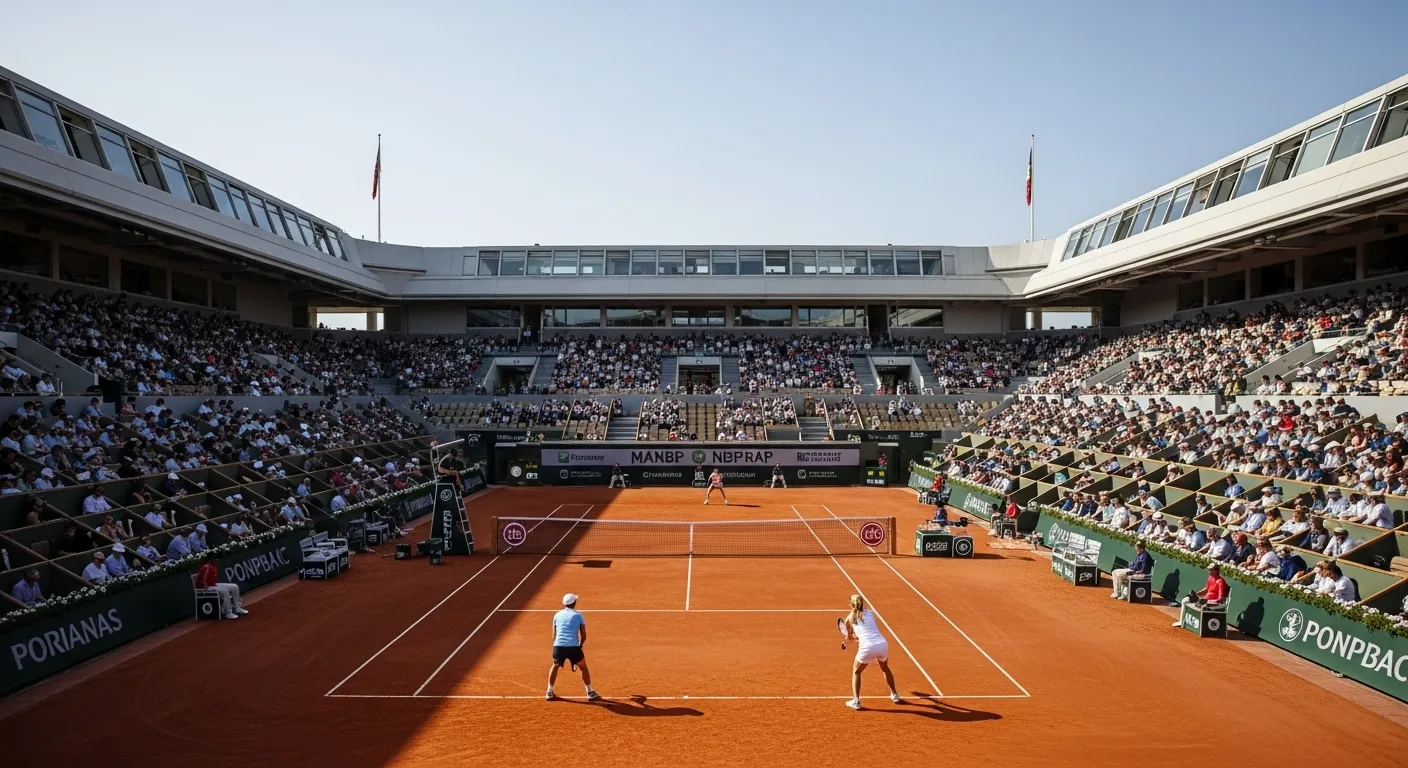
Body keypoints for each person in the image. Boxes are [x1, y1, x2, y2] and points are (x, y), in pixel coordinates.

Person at [842, 594, 901, 710]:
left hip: (867, 647)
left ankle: (856, 701)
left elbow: (850, 639)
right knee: (885, 668)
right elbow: (867, 630)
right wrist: (856, 637)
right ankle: (895, 694)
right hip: (882, 644)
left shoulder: (848, 619)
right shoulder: (870, 613)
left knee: (856, 672)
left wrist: (849, 639)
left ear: (851, 604)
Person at [546, 592, 598, 702]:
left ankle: (549, 692)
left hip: (558, 646)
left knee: (555, 666)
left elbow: (554, 635)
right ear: (574, 603)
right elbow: (583, 635)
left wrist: (557, 647)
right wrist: (580, 645)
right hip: (574, 647)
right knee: (583, 667)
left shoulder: (557, 615)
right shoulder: (578, 615)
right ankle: (590, 692)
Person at [1173, 563, 1229, 627]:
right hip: (1204, 600)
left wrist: (1208, 601)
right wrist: (1197, 593)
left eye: (1211, 570)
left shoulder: (1220, 581)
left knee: (1195, 602)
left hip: (1213, 603)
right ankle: (1181, 621)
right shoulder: (1210, 578)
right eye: (1209, 570)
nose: (1209, 572)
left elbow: (1220, 599)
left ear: (1216, 571)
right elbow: (1206, 589)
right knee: (1185, 600)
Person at [195, 554, 248, 620]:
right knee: (225, 591)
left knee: (235, 587)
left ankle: (237, 608)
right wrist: (204, 589)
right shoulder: (206, 567)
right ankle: (228, 612)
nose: (217, 560)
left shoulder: (213, 566)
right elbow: (202, 581)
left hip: (213, 584)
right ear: (210, 560)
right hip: (206, 587)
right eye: (215, 559)